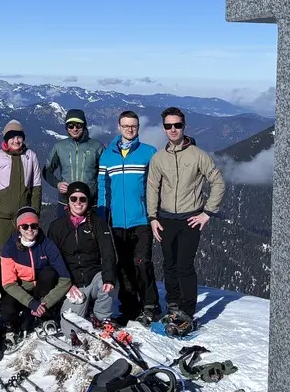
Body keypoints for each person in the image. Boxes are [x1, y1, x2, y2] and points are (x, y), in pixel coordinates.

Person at [146, 108, 226, 336]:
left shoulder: (198, 155)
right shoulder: (159, 158)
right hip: (165, 219)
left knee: (185, 266)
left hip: (191, 219)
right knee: (169, 264)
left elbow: (218, 183)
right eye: (169, 126)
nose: (173, 130)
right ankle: (173, 305)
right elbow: (152, 188)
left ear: (184, 126)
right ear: (164, 128)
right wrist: (152, 217)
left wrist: (208, 212)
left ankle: (187, 310)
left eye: (177, 125)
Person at [96, 111, 160, 326]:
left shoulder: (149, 153)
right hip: (116, 221)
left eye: (133, 126)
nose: (129, 129)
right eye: (125, 126)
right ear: (119, 127)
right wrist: (101, 214)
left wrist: (154, 213)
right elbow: (102, 188)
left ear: (138, 127)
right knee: (123, 265)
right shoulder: (108, 156)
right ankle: (129, 307)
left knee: (142, 263)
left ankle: (150, 305)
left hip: (141, 219)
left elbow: (156, 187)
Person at [47, 181, 119, 328]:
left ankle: (101, 317)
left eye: (82, 199)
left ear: (88, 201)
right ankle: (81, 311)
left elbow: (108, 253)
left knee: (109, 284)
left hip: (94, 277)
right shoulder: (57, 227)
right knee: (69, 329)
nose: (78, 203)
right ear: (68, 201)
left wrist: (109, 279)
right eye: (73, 198)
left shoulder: (98, 223)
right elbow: (53, 261)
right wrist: (67, 285)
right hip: (73, 283)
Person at [0, 207, 72, 350]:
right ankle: (11, 328)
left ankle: (45, 317)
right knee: (7, 304)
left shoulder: (47, 244)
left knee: (49, 273)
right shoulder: (9, 248)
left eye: (34, 225)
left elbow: (65, 278)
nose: (30, 229)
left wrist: (44, 303)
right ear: (19, 228)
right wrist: (31, 303)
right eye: (25, 226)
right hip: (22, 289)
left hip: (41, 289)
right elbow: (8, 283)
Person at [0, 119, 42, 262]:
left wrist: (35, 215)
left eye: (19, 137)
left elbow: (36, 189)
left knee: (23, 257)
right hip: (0, 218)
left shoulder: (31, 157)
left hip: (23, 218)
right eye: (12, 137)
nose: (16, 141)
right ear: (6, 140)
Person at [43, 108, 104, 210]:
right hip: (65, 201)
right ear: (66, 127)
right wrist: (57, 184)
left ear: (84, 126)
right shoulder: (59, 147)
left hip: (91, 202)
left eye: (78, 125)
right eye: (70, 126)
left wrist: (95, 189)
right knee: (64, 226)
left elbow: (106, 173)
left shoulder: (97, 147)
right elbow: (47, 171)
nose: (74, 129)